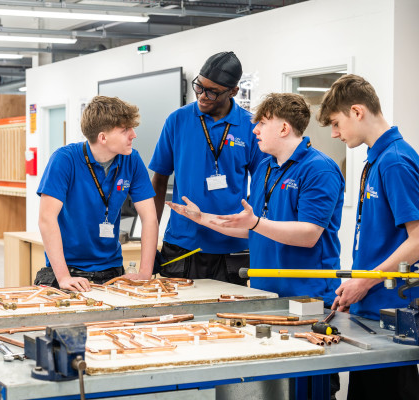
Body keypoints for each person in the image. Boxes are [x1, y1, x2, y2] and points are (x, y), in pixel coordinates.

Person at [167, 92, 344, 305]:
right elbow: (252, 227)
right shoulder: (265, 167)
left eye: (262, 123)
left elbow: (308, 235)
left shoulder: (319, 169)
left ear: (284, 128)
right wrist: (201, 217)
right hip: (265, 293)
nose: (255, 130)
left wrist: (255, 223)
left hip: (308, 296)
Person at [318, 74, 419, 400]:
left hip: (391, 315)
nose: (334, 133)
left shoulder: (395, 162)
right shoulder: (376, 160)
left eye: (336, 123)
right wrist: (357, 286)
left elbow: (417, 240)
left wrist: (365, 282)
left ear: (357, 111)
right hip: (370, 309)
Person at [149, 51, 264, 283]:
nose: (202, 96)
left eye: (212, 91)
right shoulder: (177, 120)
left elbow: (262, 185)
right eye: (199, 87)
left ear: (233, 91)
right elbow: (159, 181)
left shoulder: (250, 127)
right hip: (183, 244)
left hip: (232, 248)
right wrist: (149, 241)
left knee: (230, 318)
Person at [35, 95, 158, 292]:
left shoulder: (132, 160)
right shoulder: (64, 160)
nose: (133, 135)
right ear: (103, 137)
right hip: (70, 271)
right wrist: (64, 277)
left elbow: (150, 218)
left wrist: (145, 272)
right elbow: (46, 219)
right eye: (125, 130)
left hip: (112, 270)